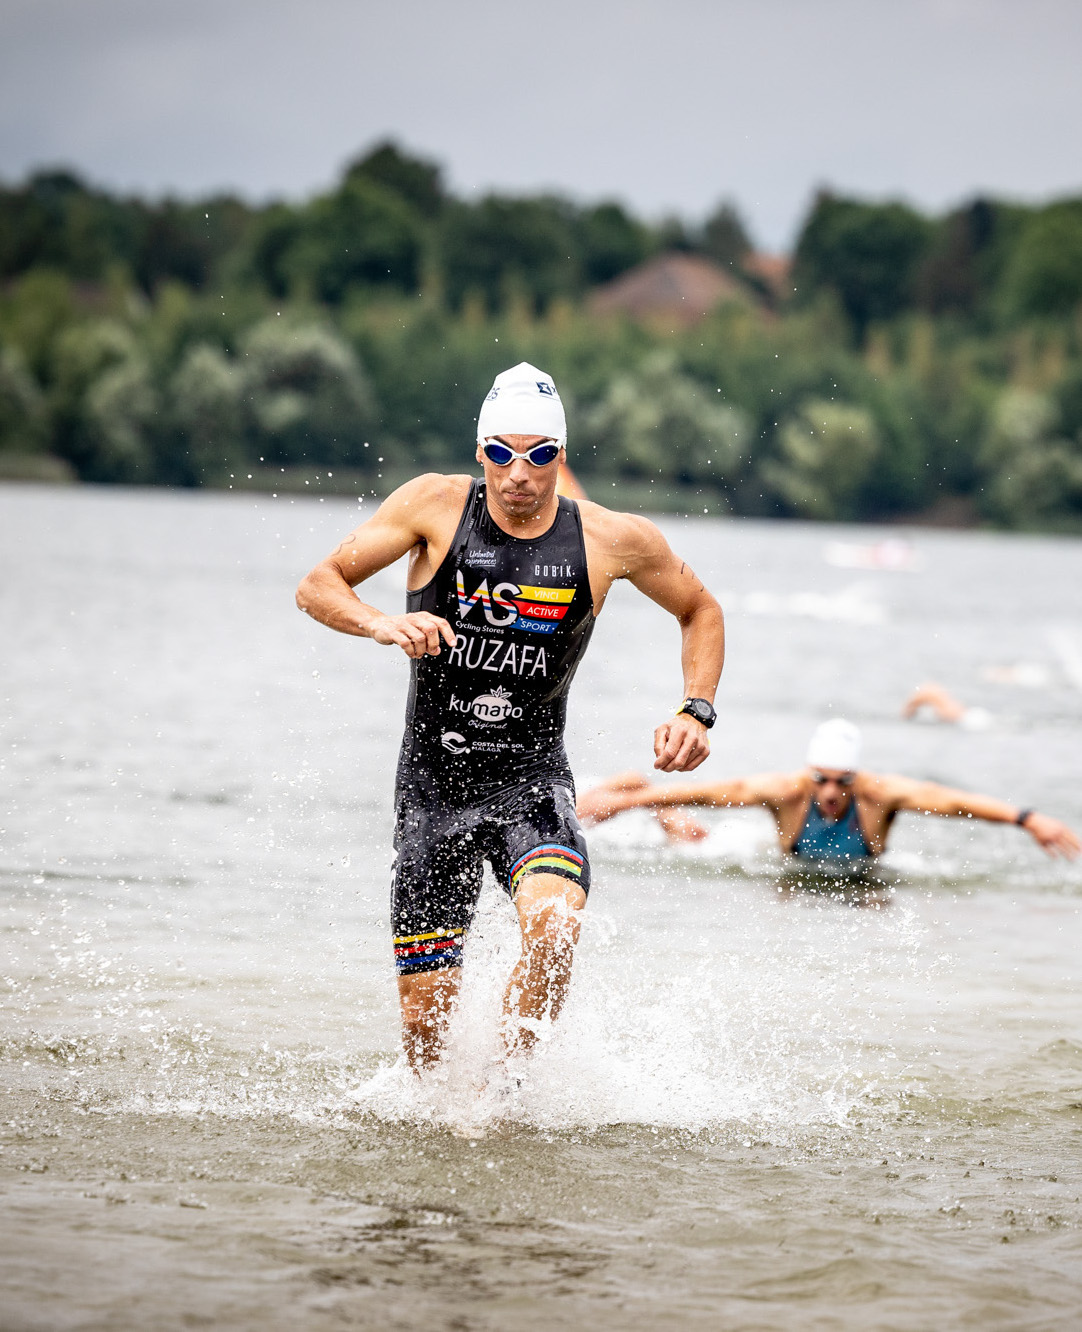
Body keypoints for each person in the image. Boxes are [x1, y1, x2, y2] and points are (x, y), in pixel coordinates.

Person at [296, 362, 725, 1072]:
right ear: (480, 452)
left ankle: (507, 1097)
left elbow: (699, 608)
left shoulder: (611, 539)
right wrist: (378, 623)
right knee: (424, 1032)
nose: (517, 472)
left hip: (531, 782)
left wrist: (695, 710)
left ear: (561, 456)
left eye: (538, 455)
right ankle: (441, 1127)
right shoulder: (433, 506)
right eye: (500, 452)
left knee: (556, 928)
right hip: (432, 791)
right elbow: (318, 585)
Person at [577, 718, 1080, 864]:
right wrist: (622, 804)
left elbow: (954, 803)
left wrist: (1028, 818)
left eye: (843, 780)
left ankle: (639, 797)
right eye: (822, 778)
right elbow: (710, 790)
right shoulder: (788, 790)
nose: (832, 790)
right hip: (789, 867)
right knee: (691, 835)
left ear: (858, 779)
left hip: (861, 879)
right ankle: (632, 787)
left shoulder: (882, 795)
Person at [902, 681, 993, 731]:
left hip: (966, 720)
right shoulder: (942, 699)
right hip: (971, 715)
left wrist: (907, 714)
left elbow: (908, 708)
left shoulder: (928, 693)